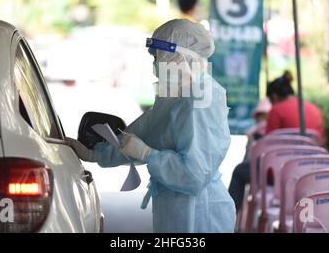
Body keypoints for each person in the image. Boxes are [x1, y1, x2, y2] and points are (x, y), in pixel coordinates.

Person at [73, 19, 236, 233]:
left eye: (158, 56)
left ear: (178, 56)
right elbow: (145, 132)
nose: (155, 64)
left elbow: (194, 175)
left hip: (200, 214)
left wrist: (147, 154)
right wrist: (98, 154)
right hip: (177, 208)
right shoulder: (176, 94)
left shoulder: (201, 100)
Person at [228, 98, 272, 210]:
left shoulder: (254, 132)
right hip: (274, 174)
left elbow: (247, 157)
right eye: (262, 116)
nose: (263, 119)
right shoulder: (272, 132)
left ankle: (232, 211)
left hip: (261, 173)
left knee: (238, 171)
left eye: (265, 116)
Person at [265, 71, 325, 142]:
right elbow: (322, 139)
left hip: (287, 152)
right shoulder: (314, 108)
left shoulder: (276, 110)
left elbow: (269, 141)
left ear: (274, 97)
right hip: (315, 151)